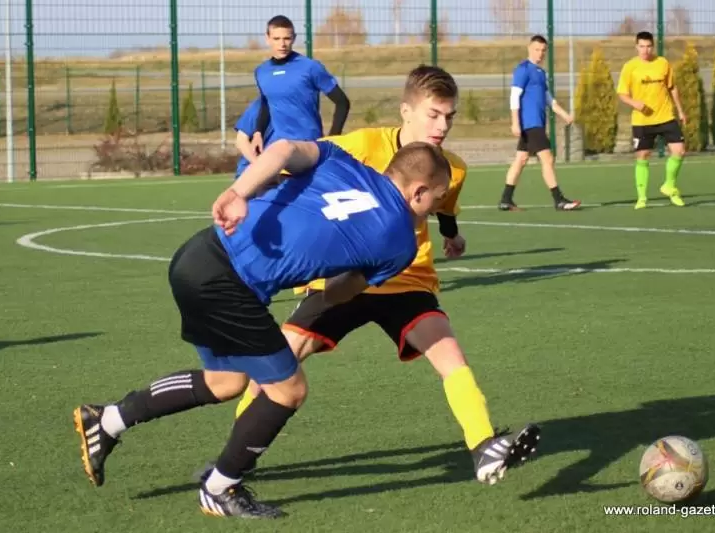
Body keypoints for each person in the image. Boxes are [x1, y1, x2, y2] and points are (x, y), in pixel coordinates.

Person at [72, 138, 452, 519]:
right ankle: (220, 488)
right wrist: (333, 271)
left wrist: (238, 193)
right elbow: (337, 293)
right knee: (289, 390)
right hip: (228, 286)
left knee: (226, 382)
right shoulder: (401, 242)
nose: (435, 210)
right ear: (418, 192)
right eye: (436, 200)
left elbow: (283, 148)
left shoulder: (341, 160)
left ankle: (107, 420)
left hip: (198, 254)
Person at [224, 65, 541, 487]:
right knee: (278, 360)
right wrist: (260, 194)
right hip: (343, 279)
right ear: (406, 111)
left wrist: (452, 236)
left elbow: (445, 208)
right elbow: (298, 159)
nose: (442, 126)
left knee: (450, 356)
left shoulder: (453, 168)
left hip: (407, 280)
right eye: (433, 114)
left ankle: (483, 446)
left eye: (449, 116)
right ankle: (234, 458)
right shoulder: (363, 145)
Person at [498, 35, 580, 212]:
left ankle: (506, 199)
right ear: (529, 48)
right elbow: (514, 97)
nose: (540, 53)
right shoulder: (523, 69)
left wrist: (564, 115)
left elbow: (549, 100)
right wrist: (515, 122)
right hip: (531, 124)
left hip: (535, 124)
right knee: (547, 158)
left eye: (543, 50)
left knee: (521, 159)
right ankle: (559, 200)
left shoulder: (541, 73)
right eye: (537, 49)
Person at [252, 15, 350, 155]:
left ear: (294, 38)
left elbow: (342, 102)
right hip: (278, 147)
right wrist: (258, 133)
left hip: (309, 146)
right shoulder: (261, 71)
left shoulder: (310, 67)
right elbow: (266, 104)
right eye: (276, 39)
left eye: (287, 38)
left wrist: (332, 139)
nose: (282, 44)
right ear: (267, 39)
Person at [616, 31, 687, 209]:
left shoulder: (663, 63)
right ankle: (642, 198)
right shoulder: (630, 67)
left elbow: (672, 87)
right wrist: (635, 103)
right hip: (642, 120)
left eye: (648, 46)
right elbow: (622, 93)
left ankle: (669, 186)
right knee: (643, 156)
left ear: (652, 46)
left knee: (679, 151)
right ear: (636, 47)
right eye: (642, 46)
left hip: (666, 116)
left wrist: (680, 111)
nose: (645, 50)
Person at [233, 98, 274, 178]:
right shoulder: (259, 106)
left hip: (283, 173)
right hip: (252, 173)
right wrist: (260, 166)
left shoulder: (295, 108)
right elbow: (241, 141)